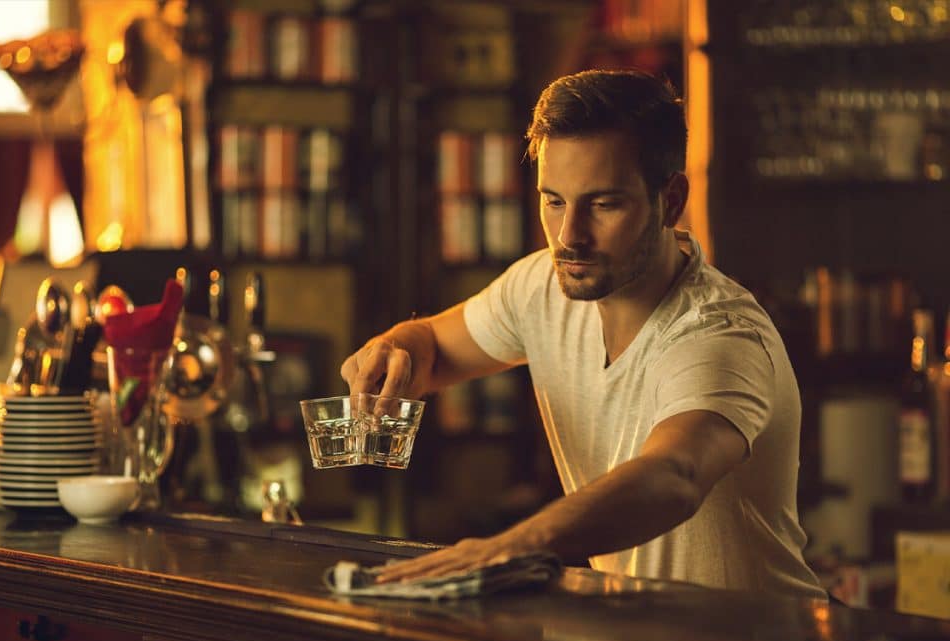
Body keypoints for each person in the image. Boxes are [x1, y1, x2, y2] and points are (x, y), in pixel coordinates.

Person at [341, 68, 825, 599]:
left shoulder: (719, 334)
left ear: (672, 200)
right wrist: (395, 348)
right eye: (554, 201)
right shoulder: (541, 286)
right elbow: (431, 346)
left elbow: (676, 475)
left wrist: (511, 546)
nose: (569, 236)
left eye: (603, 204)